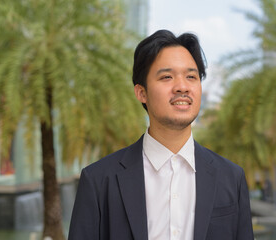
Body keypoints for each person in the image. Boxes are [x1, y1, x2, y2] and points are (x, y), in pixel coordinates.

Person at [68, 29, 254, 240]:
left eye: (191, 76)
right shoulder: (98, 181)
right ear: (141, 92)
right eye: (167, 77)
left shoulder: (231, 178)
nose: (182, 86)